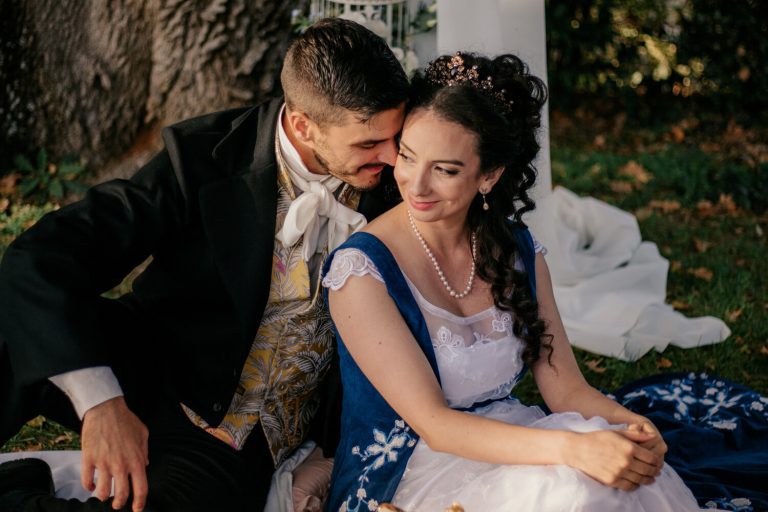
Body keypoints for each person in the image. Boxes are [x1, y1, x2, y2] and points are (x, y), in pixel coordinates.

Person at [0, 18, 408, 512]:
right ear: (303, 124)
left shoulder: (404, 177)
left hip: (235, 440)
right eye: (368, 144)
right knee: (17, 319)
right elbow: (41, 257)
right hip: (153, 364)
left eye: (395, 136)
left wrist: (325, 452)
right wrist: (101, 404)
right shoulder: (203, 157)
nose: (392, 158)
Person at [320, 52, 703, 511]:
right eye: (407, 155)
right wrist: (573, 449)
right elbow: (436, 425)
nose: (415, 184)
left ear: (489, 176)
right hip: (406, 471)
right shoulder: (361, 270)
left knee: (618, 481)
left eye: (444, 169)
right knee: (573, 492)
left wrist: (633, 428)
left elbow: (567, 391)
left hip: (514, 438)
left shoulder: (516, 249)